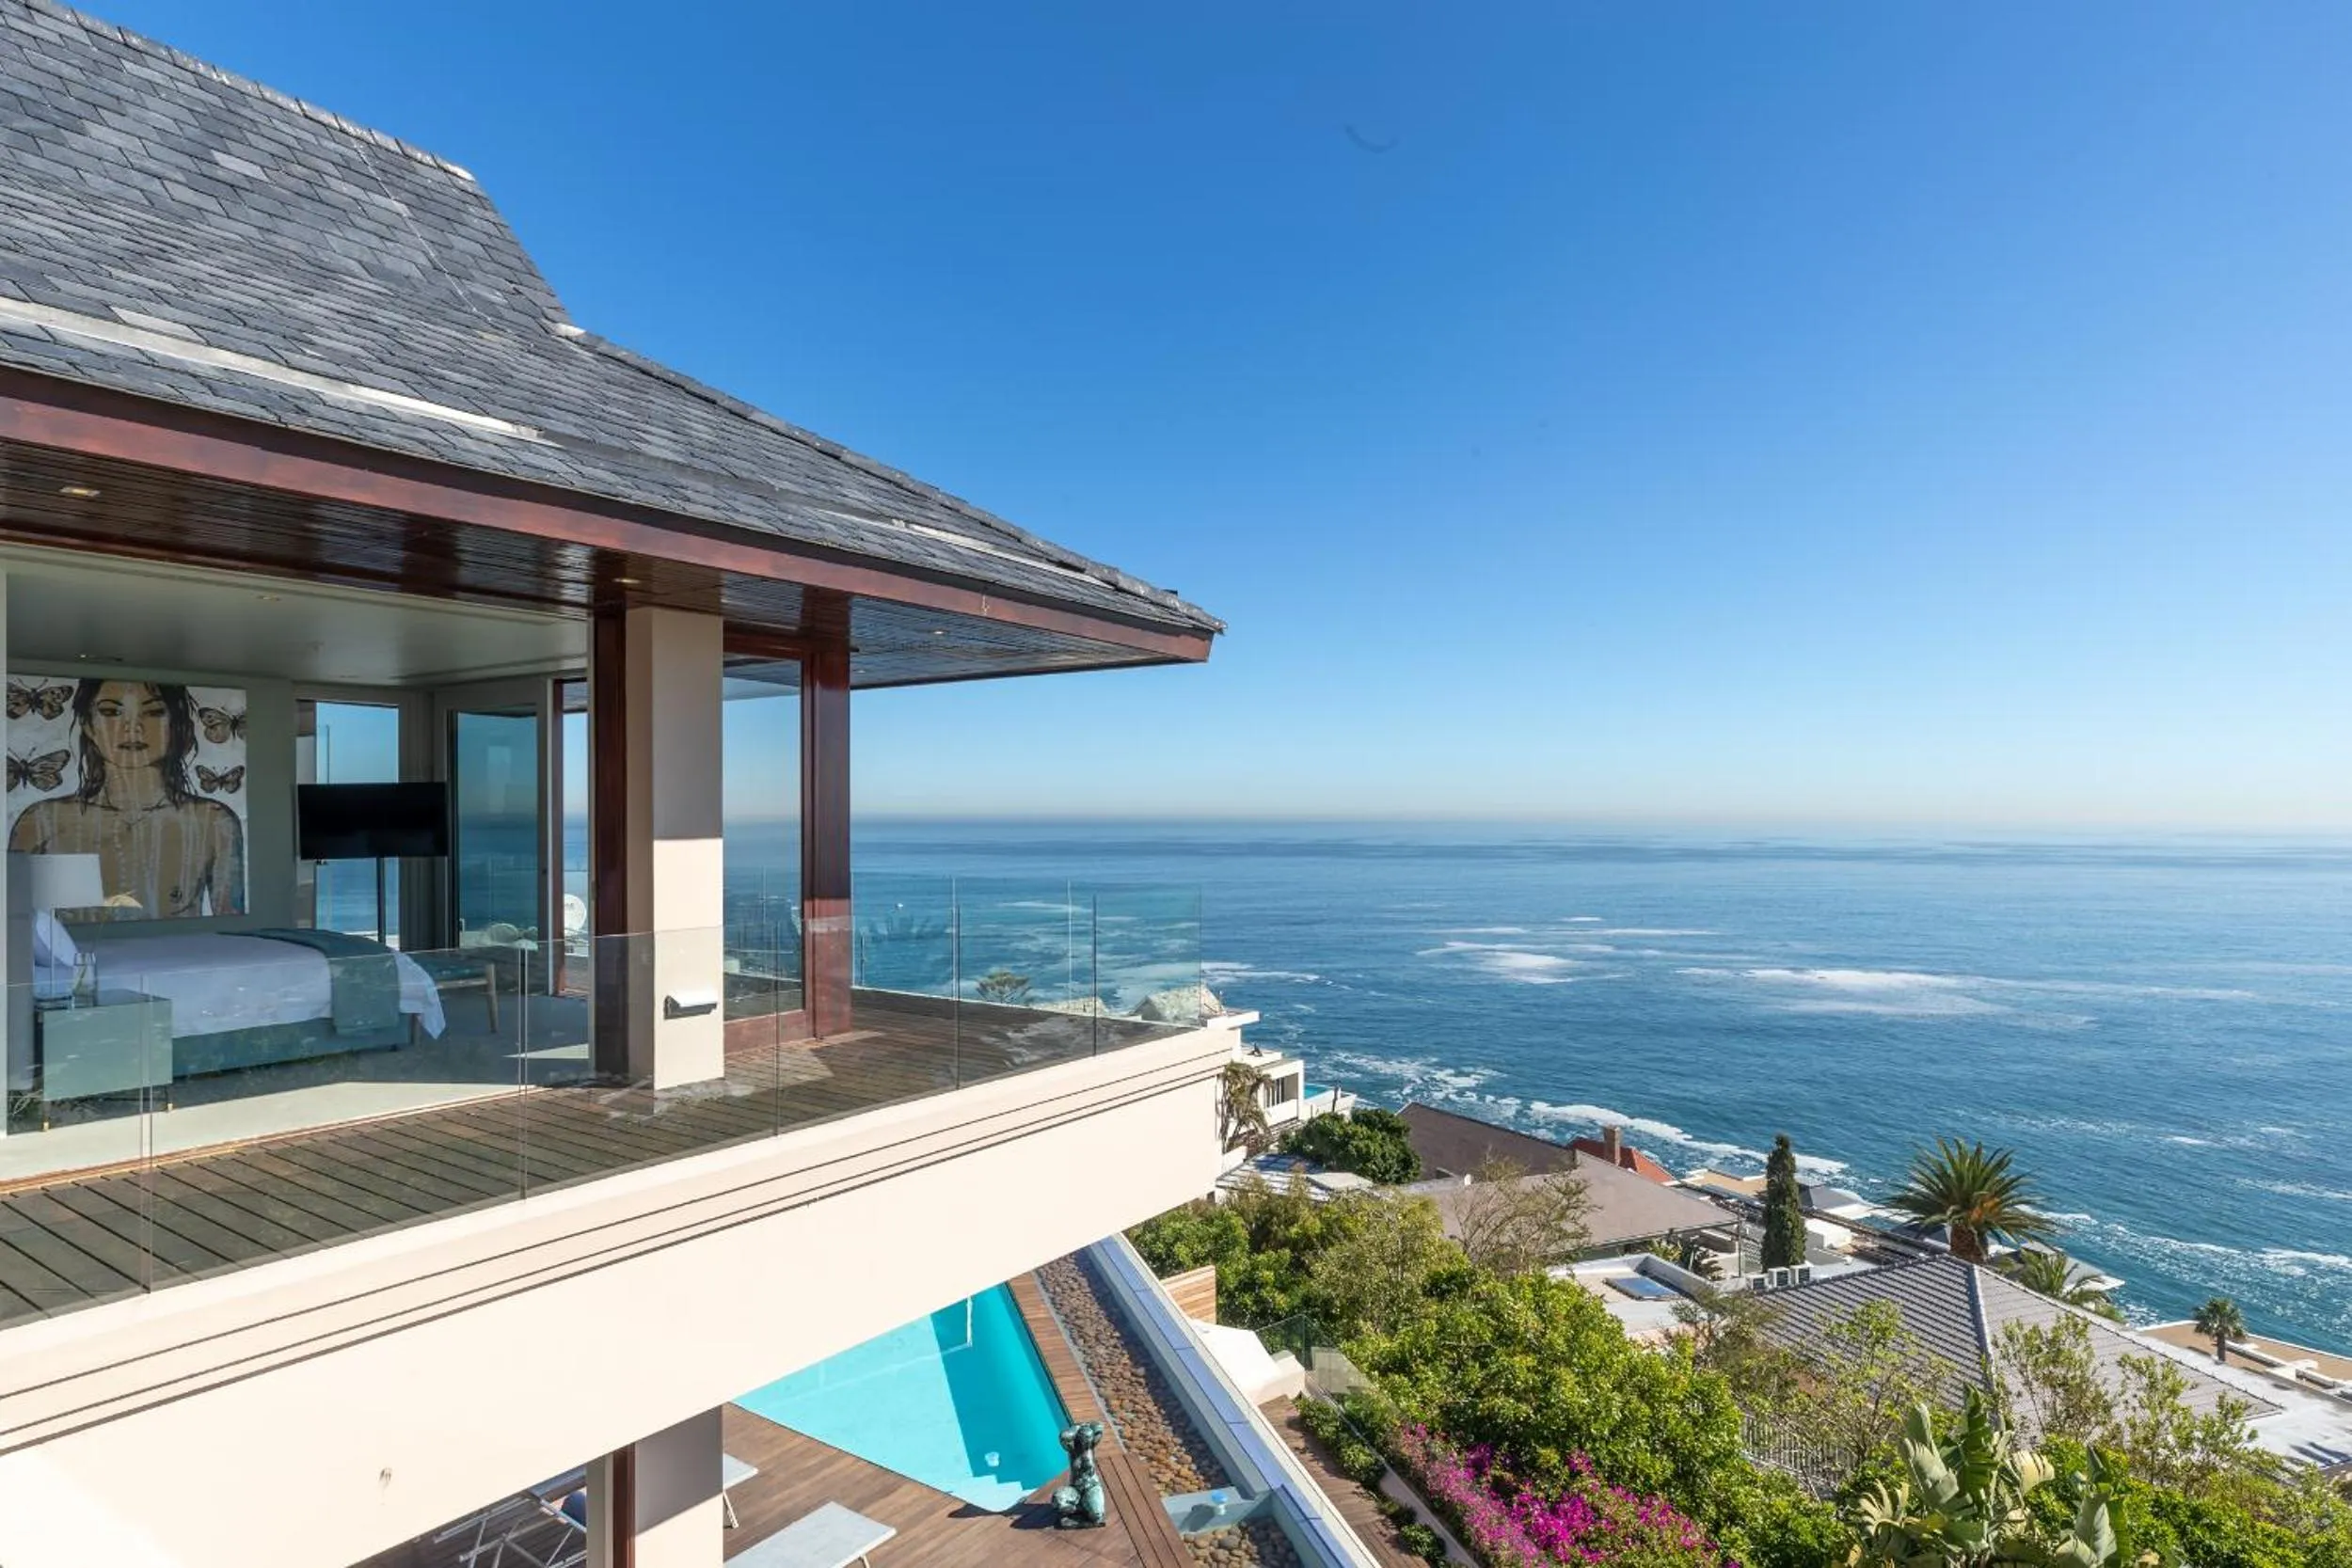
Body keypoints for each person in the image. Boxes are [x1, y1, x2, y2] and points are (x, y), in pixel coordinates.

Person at [8, 679, 246, 918]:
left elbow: (231, 928)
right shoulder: (42, 822)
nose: (133, 728)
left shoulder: (214, 822)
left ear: (176, 724)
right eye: (111, 712)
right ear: (88, 724)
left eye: (154, 712)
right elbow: (12, 925)